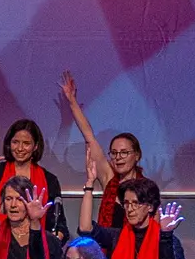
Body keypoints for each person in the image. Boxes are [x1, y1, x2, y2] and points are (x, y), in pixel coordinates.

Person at [0, 82, 70, 243]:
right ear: (9, 144)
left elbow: (60, 225)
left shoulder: (49, 180)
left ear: (35, 146)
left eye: (26, 143)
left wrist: (53, 241)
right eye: (16, 142)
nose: (20, 148)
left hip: (35, 250)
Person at [60, 70, 145, 230]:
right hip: (108, 251)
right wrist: (72, 102)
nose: (118, 157)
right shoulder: (109, 178)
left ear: (136, 155)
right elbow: (89, 137)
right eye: (114, 153)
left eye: (124, 153)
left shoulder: (146, 188)